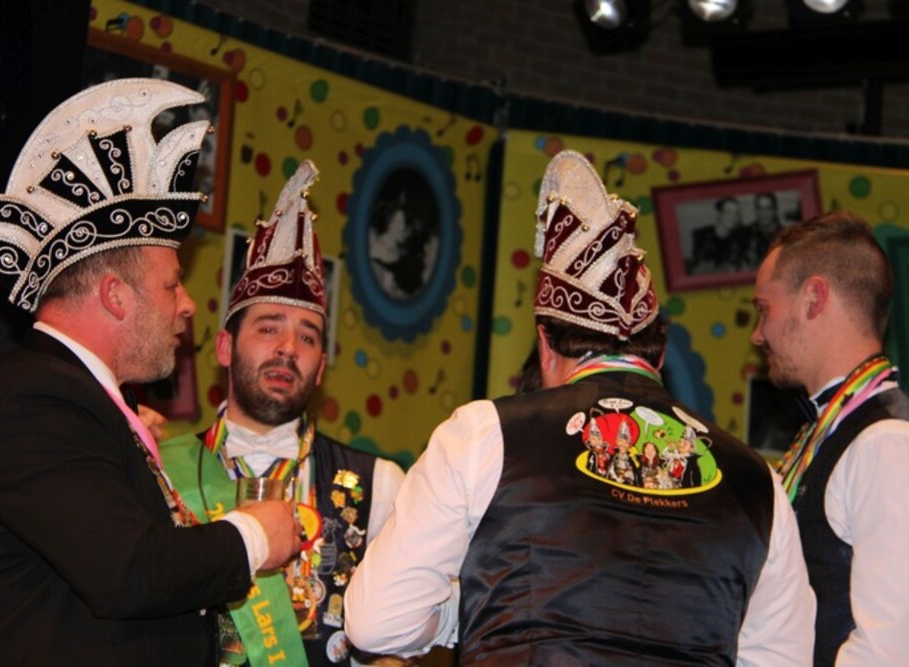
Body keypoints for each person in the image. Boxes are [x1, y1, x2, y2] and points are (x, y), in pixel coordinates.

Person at [344, 150, 814, 665]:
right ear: (658, 351)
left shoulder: (483, 435)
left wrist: (469, 611)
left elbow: (377, 623)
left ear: (545, 343)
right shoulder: (759, 483)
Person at [0, 79, 300, 665]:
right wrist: (254, 534)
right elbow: (131, 571)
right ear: (116, 296)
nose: (187, 305)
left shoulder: (60, 402)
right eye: (171, 285)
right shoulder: (36, 402)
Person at [161, 160, 405, 666]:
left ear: (321, 369)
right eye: (269, 327)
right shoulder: (162, 469)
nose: (288, 348)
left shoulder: (380, 485)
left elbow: (400, 641)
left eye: (308, 337)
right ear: (225, 347)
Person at [751, 210, 909, 666]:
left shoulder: (885, 443)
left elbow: (889, 652)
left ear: (813, 299)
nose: (758, 335)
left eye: (764, 310)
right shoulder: (835, 429)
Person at [689, 195, 743, 274]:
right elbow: (698, 269)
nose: (733, 217)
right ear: (719, 214)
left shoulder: (738, 239)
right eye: (729, 213)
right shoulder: (701, 236)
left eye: (736, 214)